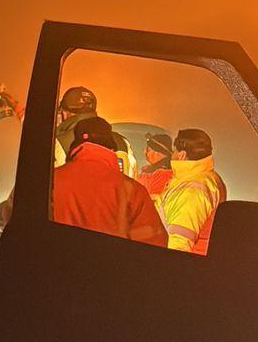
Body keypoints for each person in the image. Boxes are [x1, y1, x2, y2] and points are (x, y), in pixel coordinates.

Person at [53, 116, 166, 246]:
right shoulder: (133, 190)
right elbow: (154, 243)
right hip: (110, 265)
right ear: (112, 148)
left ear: (75, 145)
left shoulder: (52, 181)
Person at [159, 128, 226, 255]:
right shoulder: (206, 177)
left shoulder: (193, 189)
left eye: (174, 151)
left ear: (182, 155)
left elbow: (179, 242)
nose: (172, 155)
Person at [53, 86, 134, 172]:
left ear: (64, 113)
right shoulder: (123, 142)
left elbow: (54, 181)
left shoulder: (58, 143)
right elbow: (131, 178)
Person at [136, 132, 174, 202]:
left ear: (158, 152)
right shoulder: (150, 171)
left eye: (148, 149)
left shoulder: (164, 175)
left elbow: (155, 201)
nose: (145, 152)